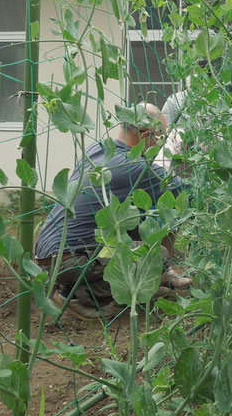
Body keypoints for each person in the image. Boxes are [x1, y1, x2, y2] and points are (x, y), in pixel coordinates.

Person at [35, 102, 191, 321]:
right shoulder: (133, 169)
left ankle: (153, 279)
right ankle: (78, 295)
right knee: (155, 256)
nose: (162, 143)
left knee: (139, 214)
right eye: (161, 137)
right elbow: (189, 193)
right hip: (67, 260)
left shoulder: (98, 149)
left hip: (46, 252)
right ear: (146, 136)